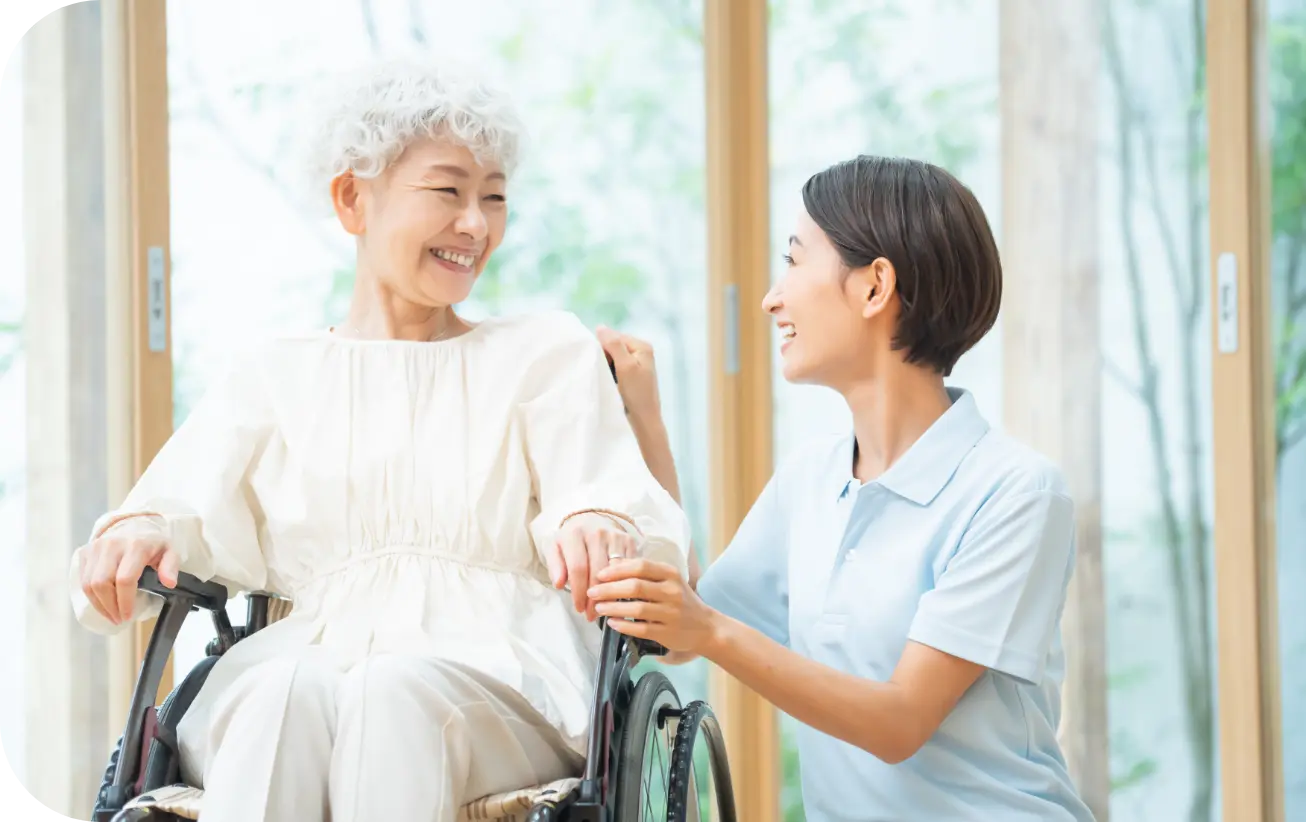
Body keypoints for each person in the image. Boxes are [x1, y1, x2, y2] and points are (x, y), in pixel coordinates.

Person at [69, 59, 689, 822]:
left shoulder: (544, 352)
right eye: (448, 191)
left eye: (494, 197)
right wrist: (137, 533)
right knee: (279, 693)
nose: (476, 224)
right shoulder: (276, 372)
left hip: (501, 681)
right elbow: (180, 509)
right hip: (307, 661)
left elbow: (603, 492)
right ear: (352, 199)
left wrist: (596, 521)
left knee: (391, 690)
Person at [591, 155, 1095, 821]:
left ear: (874, 286)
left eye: (794, 261)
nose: (772, 299)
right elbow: (681, 628)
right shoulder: (812, 479)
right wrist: (646, 421)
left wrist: (707, 629)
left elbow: (900, 722)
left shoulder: (1015, 493)